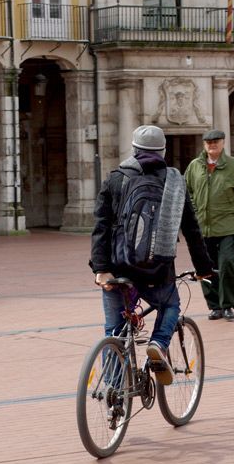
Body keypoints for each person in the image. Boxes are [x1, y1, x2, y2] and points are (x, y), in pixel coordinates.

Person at [90, 125, 214, 386]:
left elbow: (101, 226)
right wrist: (203, 267)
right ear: (163, 151)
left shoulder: (115, 178)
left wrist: (101, 269)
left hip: (118, 267)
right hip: (157, 271)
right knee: (170, 306)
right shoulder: (175, 181)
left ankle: (114, 396)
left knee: (113, 329)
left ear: (134, 150)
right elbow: (191, 229)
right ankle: (157, 344)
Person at [184, 129, 234, 322]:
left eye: (216, 142)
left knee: (227, 263)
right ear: (204, 145)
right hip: (202, 227)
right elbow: (185, 192)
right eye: (208, 143)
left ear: (223, 143)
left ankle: (228, 305)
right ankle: (214, 306)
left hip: (227, 226)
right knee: (205, 267)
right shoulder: (194, 167)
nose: (212, 145)